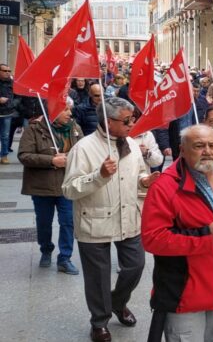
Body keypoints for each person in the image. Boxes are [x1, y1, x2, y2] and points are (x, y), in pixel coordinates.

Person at [62, 97, 159, 342]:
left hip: (129, 217)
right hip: (93, 222)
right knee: (98, 278)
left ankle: (117, 301)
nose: (132, 124)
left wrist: (145, 181)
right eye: (126, 120)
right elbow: (69, 189)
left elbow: (139, 173)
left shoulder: (132, 144)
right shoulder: (83, 148)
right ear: (108, 121)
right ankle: (99, 322)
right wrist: (99, 175)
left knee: (136, 266)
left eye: (133, 118)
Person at [141, 125, 213, 342]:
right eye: (199, 146)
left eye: (212, 145)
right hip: (186, 298)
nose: (207, 151)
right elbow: (153, 239)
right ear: (182, 150)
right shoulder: (165, 187)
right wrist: (205, 237)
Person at [19, 98, 83, 274]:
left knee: (68, 222)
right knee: (44, 222)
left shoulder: (75, 128)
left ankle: (65, 258)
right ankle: (46, 249)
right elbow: (24, 155)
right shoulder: (34, 128)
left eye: (70, 109)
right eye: (65, 109)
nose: (70, 113)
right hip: (42, 186)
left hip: (67, 185)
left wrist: (72, 158)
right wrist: (51, 160)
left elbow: (83, 151)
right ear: (53, 111)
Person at [0, 63, 14, 164]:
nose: (7, 73)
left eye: (9, 71)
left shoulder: (13, 83)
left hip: (7, 113)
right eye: (5, 71)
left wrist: (12, 105)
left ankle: (4, 155)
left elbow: (17, 96)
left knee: (5, 136)